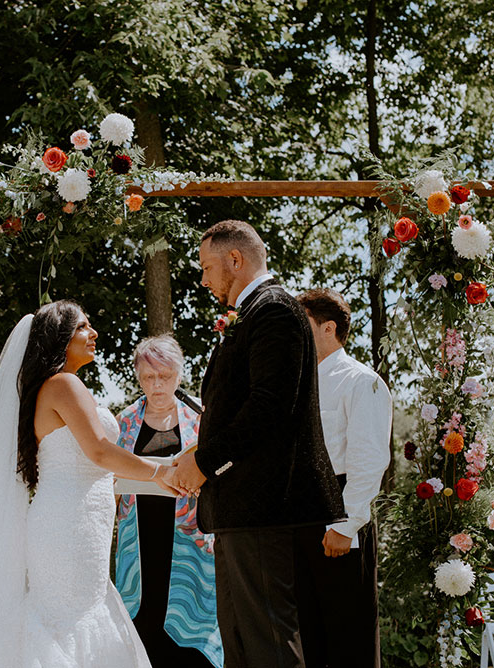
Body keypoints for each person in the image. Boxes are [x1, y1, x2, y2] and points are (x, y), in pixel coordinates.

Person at [0, 300, 176, 668]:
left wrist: (162, 478)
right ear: (59, 338)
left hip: (75, 521)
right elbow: (99, 452)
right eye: (83, 327)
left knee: (75, 615)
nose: (93, 333)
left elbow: (96, 467)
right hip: (69, 526)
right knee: (70, 621)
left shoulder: (54, 387)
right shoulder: (64, 384)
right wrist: (163, 473)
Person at [169, 220, 345, 667]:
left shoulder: (275, 311)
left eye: (208, 267)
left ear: (235, 259)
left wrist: (205, 462)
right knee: (241, 642)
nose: (204, 279)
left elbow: (269, 407)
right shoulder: (254, 313)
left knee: (268, 642)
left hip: (265, 505)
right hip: (242, 508)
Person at [295, 288, 392, 668]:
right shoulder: (300, 381)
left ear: (328, 327)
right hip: (300, 513)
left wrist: (346, 524)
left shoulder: (360, 381)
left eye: (302, 325)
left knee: (347, 632)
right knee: (308, 632)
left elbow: (369, 459)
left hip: (339, 508)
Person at [115, 335, 223, 668]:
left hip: (190, 541)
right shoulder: (125, 421)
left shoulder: (202, 417)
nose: (157, 384)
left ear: (179, 375)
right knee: (143, 622)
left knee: (189, 624)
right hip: (140, 539)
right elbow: (111, 479)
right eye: (149, 377)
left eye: (165, 376)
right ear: (138, 378)